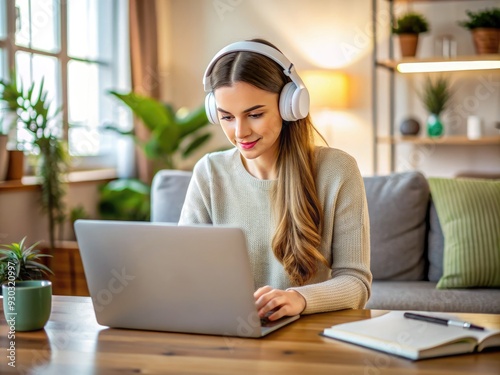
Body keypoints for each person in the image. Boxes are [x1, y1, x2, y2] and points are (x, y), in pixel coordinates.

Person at [179, 38, 372, 321]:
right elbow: (183, 269)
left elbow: (356, 282)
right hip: (229, 330)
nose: (240, 132)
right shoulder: (209, 173)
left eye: (255, 114)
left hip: (306, 335)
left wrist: (299, 299)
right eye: (227, 117)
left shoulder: (337, 170)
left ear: (290, 105)